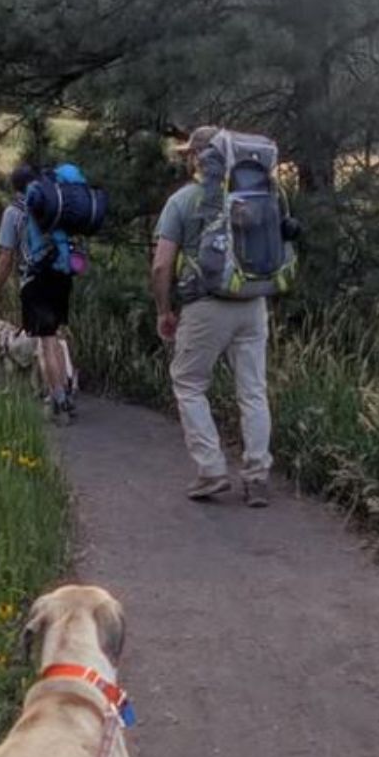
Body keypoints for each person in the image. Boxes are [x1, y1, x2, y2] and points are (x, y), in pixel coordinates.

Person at [150, 125, 272, 507]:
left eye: (190, 153)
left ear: (197, 158)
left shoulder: (184, 200)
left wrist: (164, 310)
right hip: (254, 301)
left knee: (188, 382)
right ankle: (256, 475)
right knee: (252, 389)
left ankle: (211, 470)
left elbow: (161, 266)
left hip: (206, 304)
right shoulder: (256, 195)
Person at [0, 163, 77, 423]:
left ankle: (58, 400)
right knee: (58, 335)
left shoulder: (13, 212)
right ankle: (67, 389)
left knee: (46, 341)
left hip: (35, 280)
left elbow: (7, 255)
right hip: (61, 276)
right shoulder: (52, 204)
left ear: (14, 187)